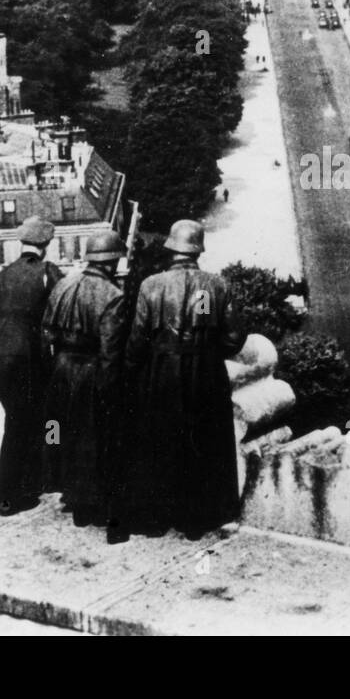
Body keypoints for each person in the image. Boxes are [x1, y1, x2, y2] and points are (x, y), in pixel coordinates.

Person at [110, 219, 245, 543]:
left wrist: (131, 371)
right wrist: (208, 352)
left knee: (158, 443)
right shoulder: (216, 286)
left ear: (171, 248)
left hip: (161, 372)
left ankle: (156, 519)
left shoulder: (151, 285)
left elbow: (138, 339)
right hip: (205, 373)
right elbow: (235, 337)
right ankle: (196, 521)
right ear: (197, 250)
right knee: (201, 444)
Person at [41, 230, 126, 528]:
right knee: (90, 438)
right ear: (112, 261)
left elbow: (46, 333)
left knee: (59, 431)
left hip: (61, 367)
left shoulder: (62, 284)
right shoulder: (113, 296)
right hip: (89, 371)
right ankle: (88, 503)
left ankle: (66, 490)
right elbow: (111, 351)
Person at [0, 217, 63, 516]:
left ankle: (30, 480)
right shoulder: (48, 272)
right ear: (46, 245)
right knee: (22, 422)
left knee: (24, 417)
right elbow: (60, 313)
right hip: (24, 356)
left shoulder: (3, 274)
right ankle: (10, 493)